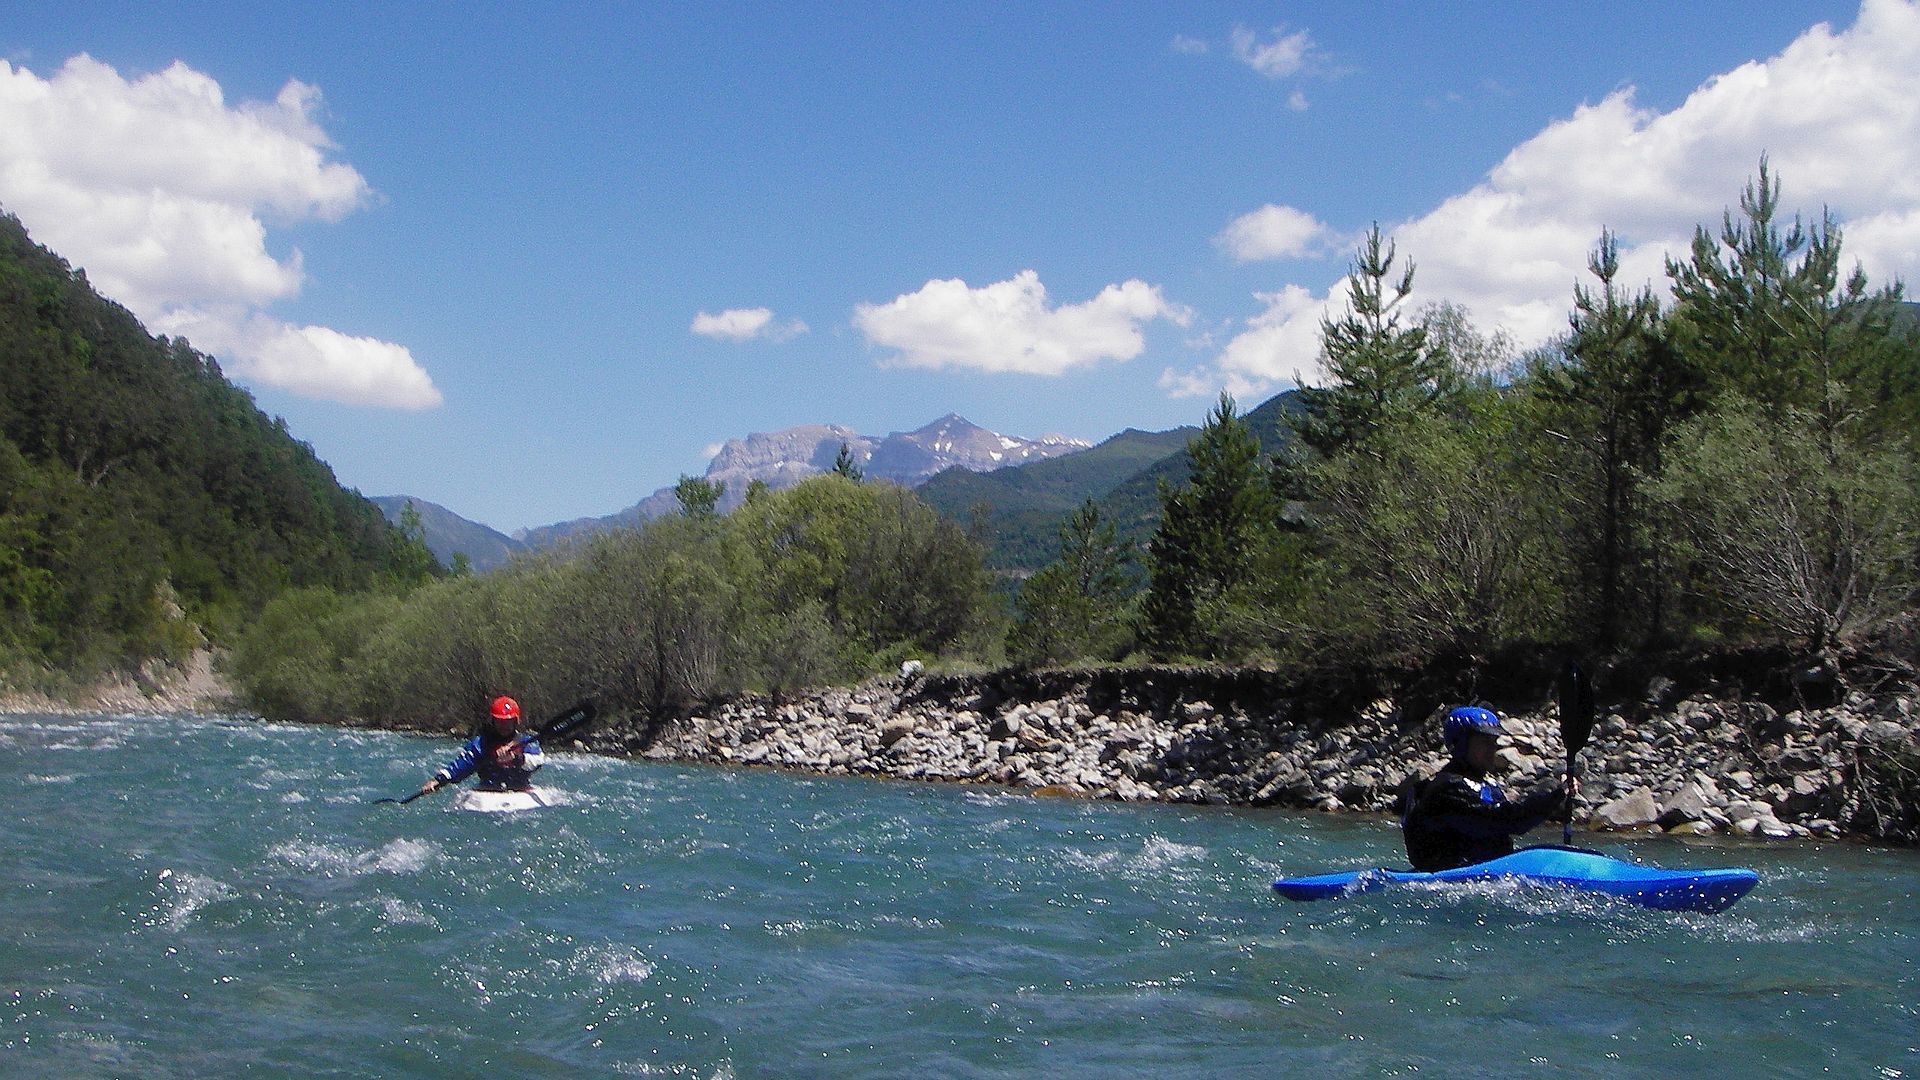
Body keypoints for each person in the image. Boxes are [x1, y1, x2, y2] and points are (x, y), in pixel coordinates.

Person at [1398, 705, 1578, 872]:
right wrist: (1556, 794)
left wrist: (1560, 794)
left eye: (1494, 741)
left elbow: (1513, 814)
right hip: (1450, 874)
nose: (1492, 748)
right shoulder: (1446, 790)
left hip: (1484, 871)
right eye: (1484, 742)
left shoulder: (1488, 787)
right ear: (1460, 744)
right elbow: (1509, 820)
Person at [415, 695, 545, 799]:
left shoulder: (526, 742)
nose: (504, 725)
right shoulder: (481, 744)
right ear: (493, 721)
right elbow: (461, 765)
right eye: (500, 721)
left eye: (508, 722)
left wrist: (517, 759)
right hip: (487, 793)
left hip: (520, 791)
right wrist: (438, 781)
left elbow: (538, 761)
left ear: (516, 721)